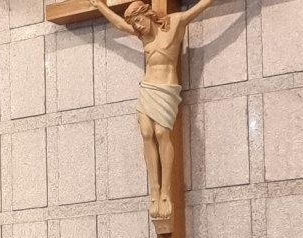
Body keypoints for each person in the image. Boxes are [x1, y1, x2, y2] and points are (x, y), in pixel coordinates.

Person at [88, 0, 213, 222]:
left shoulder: (175, 23)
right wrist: (99, 5)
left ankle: (166, 191)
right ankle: (154, 189)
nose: (137, 27)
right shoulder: (142, 36)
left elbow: (201, 6)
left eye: (138, 21)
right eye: (134, 24)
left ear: (147, 14)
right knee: (147, 133)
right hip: (147, 87)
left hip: (166, 89)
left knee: (162, 133)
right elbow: (119, 24)